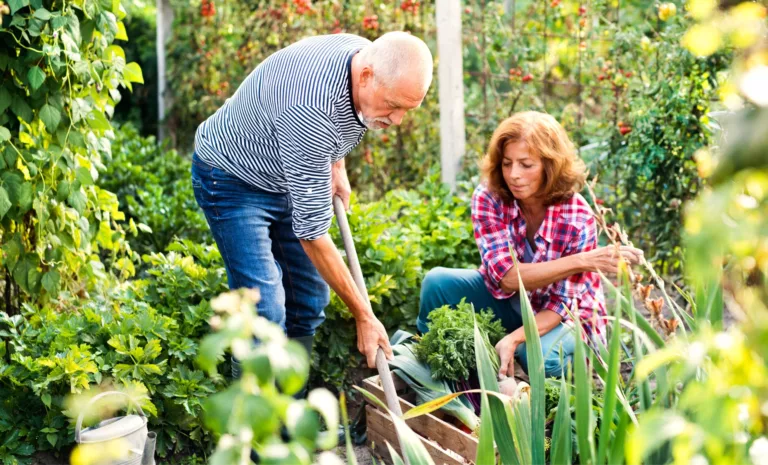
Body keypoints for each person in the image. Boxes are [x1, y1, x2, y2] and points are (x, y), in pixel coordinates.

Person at [191, 32, 433, 373]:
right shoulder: (310, 115)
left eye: (408, 110)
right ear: (366, 75)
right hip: (232, 180)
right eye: (393, 106)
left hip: (284, 170)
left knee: (309, 300)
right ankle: (254, 421)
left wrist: (336, 163)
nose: (397, 121)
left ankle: (291, 414)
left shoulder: (363, 56)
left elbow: (343, 118)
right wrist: (364, 315)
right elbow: (313, 235)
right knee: (266, 312)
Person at [418, 111, 643, 378]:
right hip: (510, 302)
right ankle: (435, 370)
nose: (514, 174)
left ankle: (570, 378)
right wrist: (582, 260)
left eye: (526, 165)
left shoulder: (576, 215)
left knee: (537, 356)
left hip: (564, 320)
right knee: (437, 284)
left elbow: (561, 306)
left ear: (550, 166)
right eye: (506, 163)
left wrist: (515, 339)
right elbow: (506, 278)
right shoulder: (490, 197)